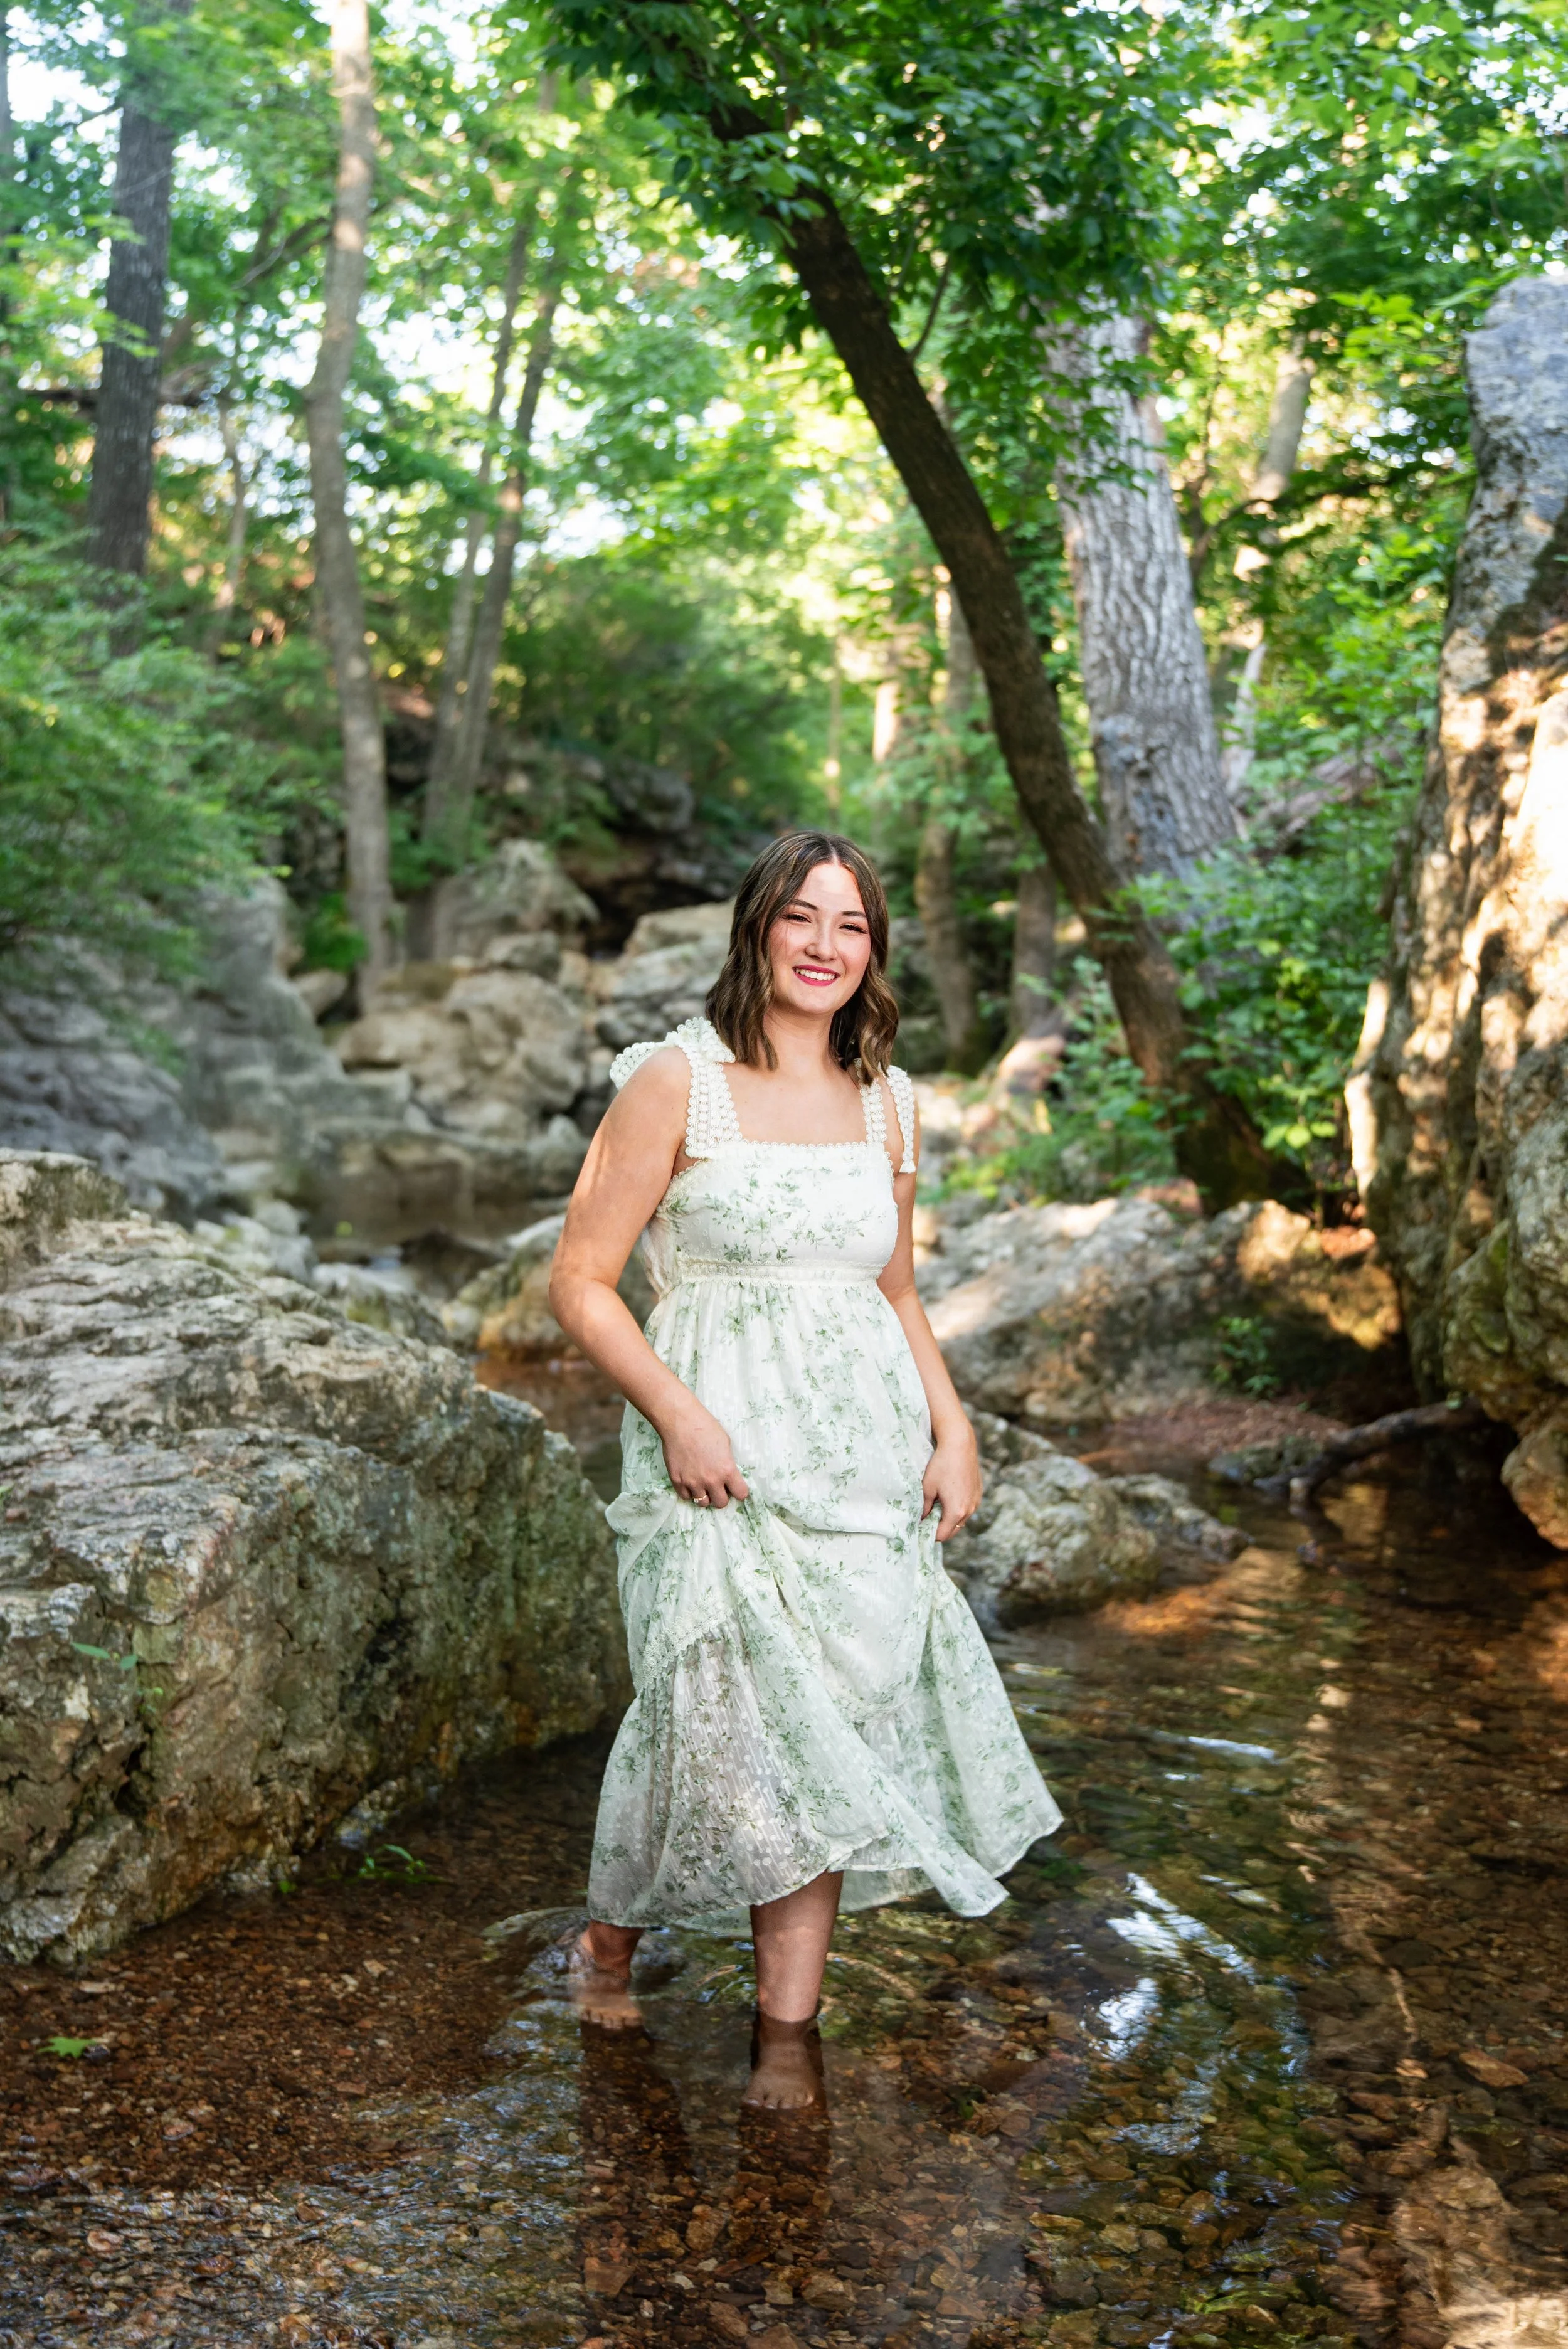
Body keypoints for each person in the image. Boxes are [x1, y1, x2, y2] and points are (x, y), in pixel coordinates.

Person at [548, 830, 1061, 2110]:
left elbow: (892, 1284)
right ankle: (613, 1929)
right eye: (802, 919)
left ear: (872, 951)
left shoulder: (888, 1098)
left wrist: (952, 1426)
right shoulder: (678, 1083)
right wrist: (676, 1415)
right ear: (757, 930)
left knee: (828, 1737)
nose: (826, 948)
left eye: (852, 926)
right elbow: (579, 1281)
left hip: (859, 1460)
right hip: (713, 1446)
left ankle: (785, 2044)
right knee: (704, 1719)